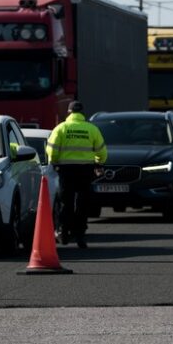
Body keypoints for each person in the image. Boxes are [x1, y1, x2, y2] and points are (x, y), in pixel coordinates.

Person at [46, 101, 107, 249]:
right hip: (85, 171)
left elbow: (52, 149)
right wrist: (99, 164)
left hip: (66, 170)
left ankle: (63, 232)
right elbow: (102, 151)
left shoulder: (61, 128)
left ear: (69, 112)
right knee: (82, 203)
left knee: (65, 201)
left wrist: (54, 162)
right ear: (82, 113)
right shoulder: (92, 129)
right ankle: (80, 235)